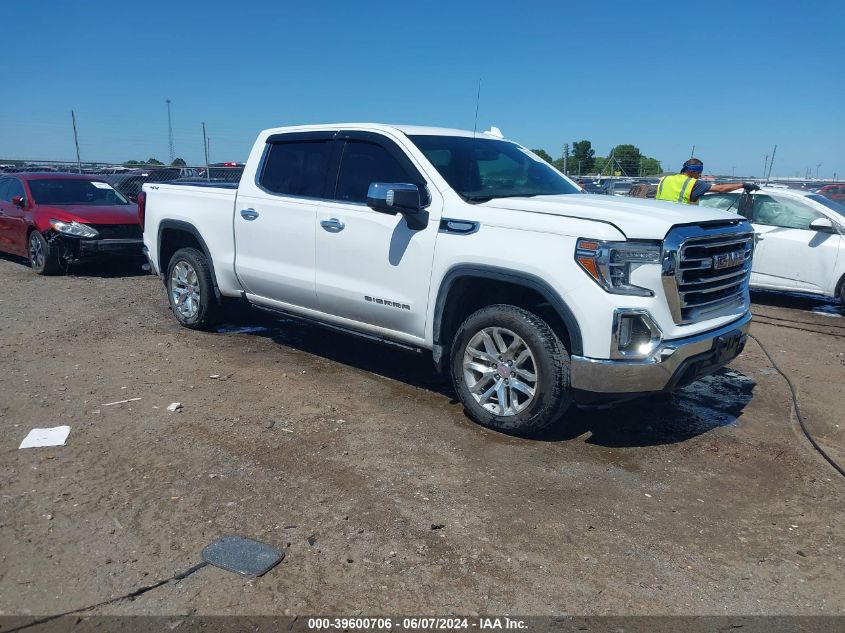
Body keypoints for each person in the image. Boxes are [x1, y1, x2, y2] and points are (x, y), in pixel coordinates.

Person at [655, 158, 759, 205]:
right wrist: (743, 184)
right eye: (699, 173)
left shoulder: (665, 179)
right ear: (693, 171)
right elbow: (720, 189)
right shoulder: (694, 183)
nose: (700, 176)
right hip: (681, 217)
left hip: (663, 215)